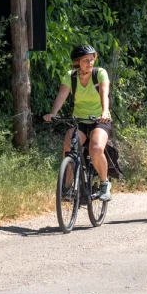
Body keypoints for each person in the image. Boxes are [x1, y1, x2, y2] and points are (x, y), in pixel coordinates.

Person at [43, 45, 113, 201]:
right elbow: (62, 95)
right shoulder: (70, 76)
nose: (90, 63)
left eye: (92, 59)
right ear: (77, 62)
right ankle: (67, 187)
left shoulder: (99, 73)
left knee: (95, 148)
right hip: (79, 120)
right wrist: (53, 113)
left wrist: (105, 111)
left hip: (99, 119)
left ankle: (104, 183)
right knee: (69, 145)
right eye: (86, 60)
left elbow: (104, 93)